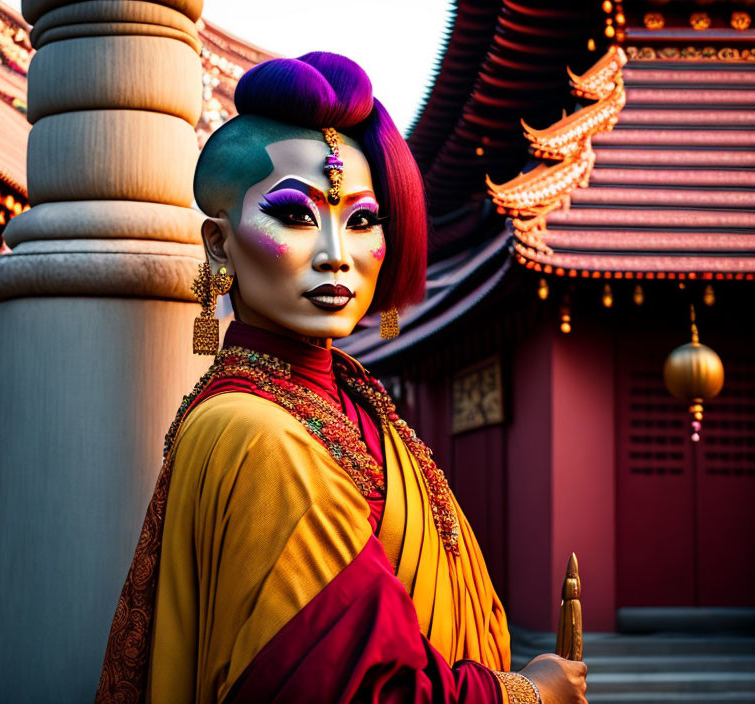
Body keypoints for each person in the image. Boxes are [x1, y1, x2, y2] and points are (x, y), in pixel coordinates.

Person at [96, 52, 588, 704]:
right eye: (296, 216)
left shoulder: (355, 401)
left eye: (360, 220)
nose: (337, 255)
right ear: (219, 247)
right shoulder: (253, 433)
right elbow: (355, 690)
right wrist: (529, 694)